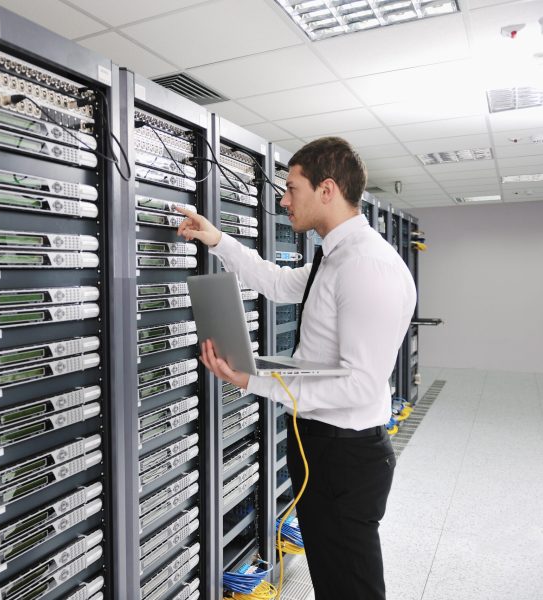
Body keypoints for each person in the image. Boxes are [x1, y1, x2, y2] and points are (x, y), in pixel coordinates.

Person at [175, 137, 416, 600]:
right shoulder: (337, 257)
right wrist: (219, 239)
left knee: (352, 588)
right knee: (333, 581)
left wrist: (253, 381)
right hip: (321, 448)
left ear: (327, 189)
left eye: (291, 188)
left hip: (346, 456)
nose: (283, 200)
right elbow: (279, 283)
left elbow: (361, 385)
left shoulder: (368, 266)